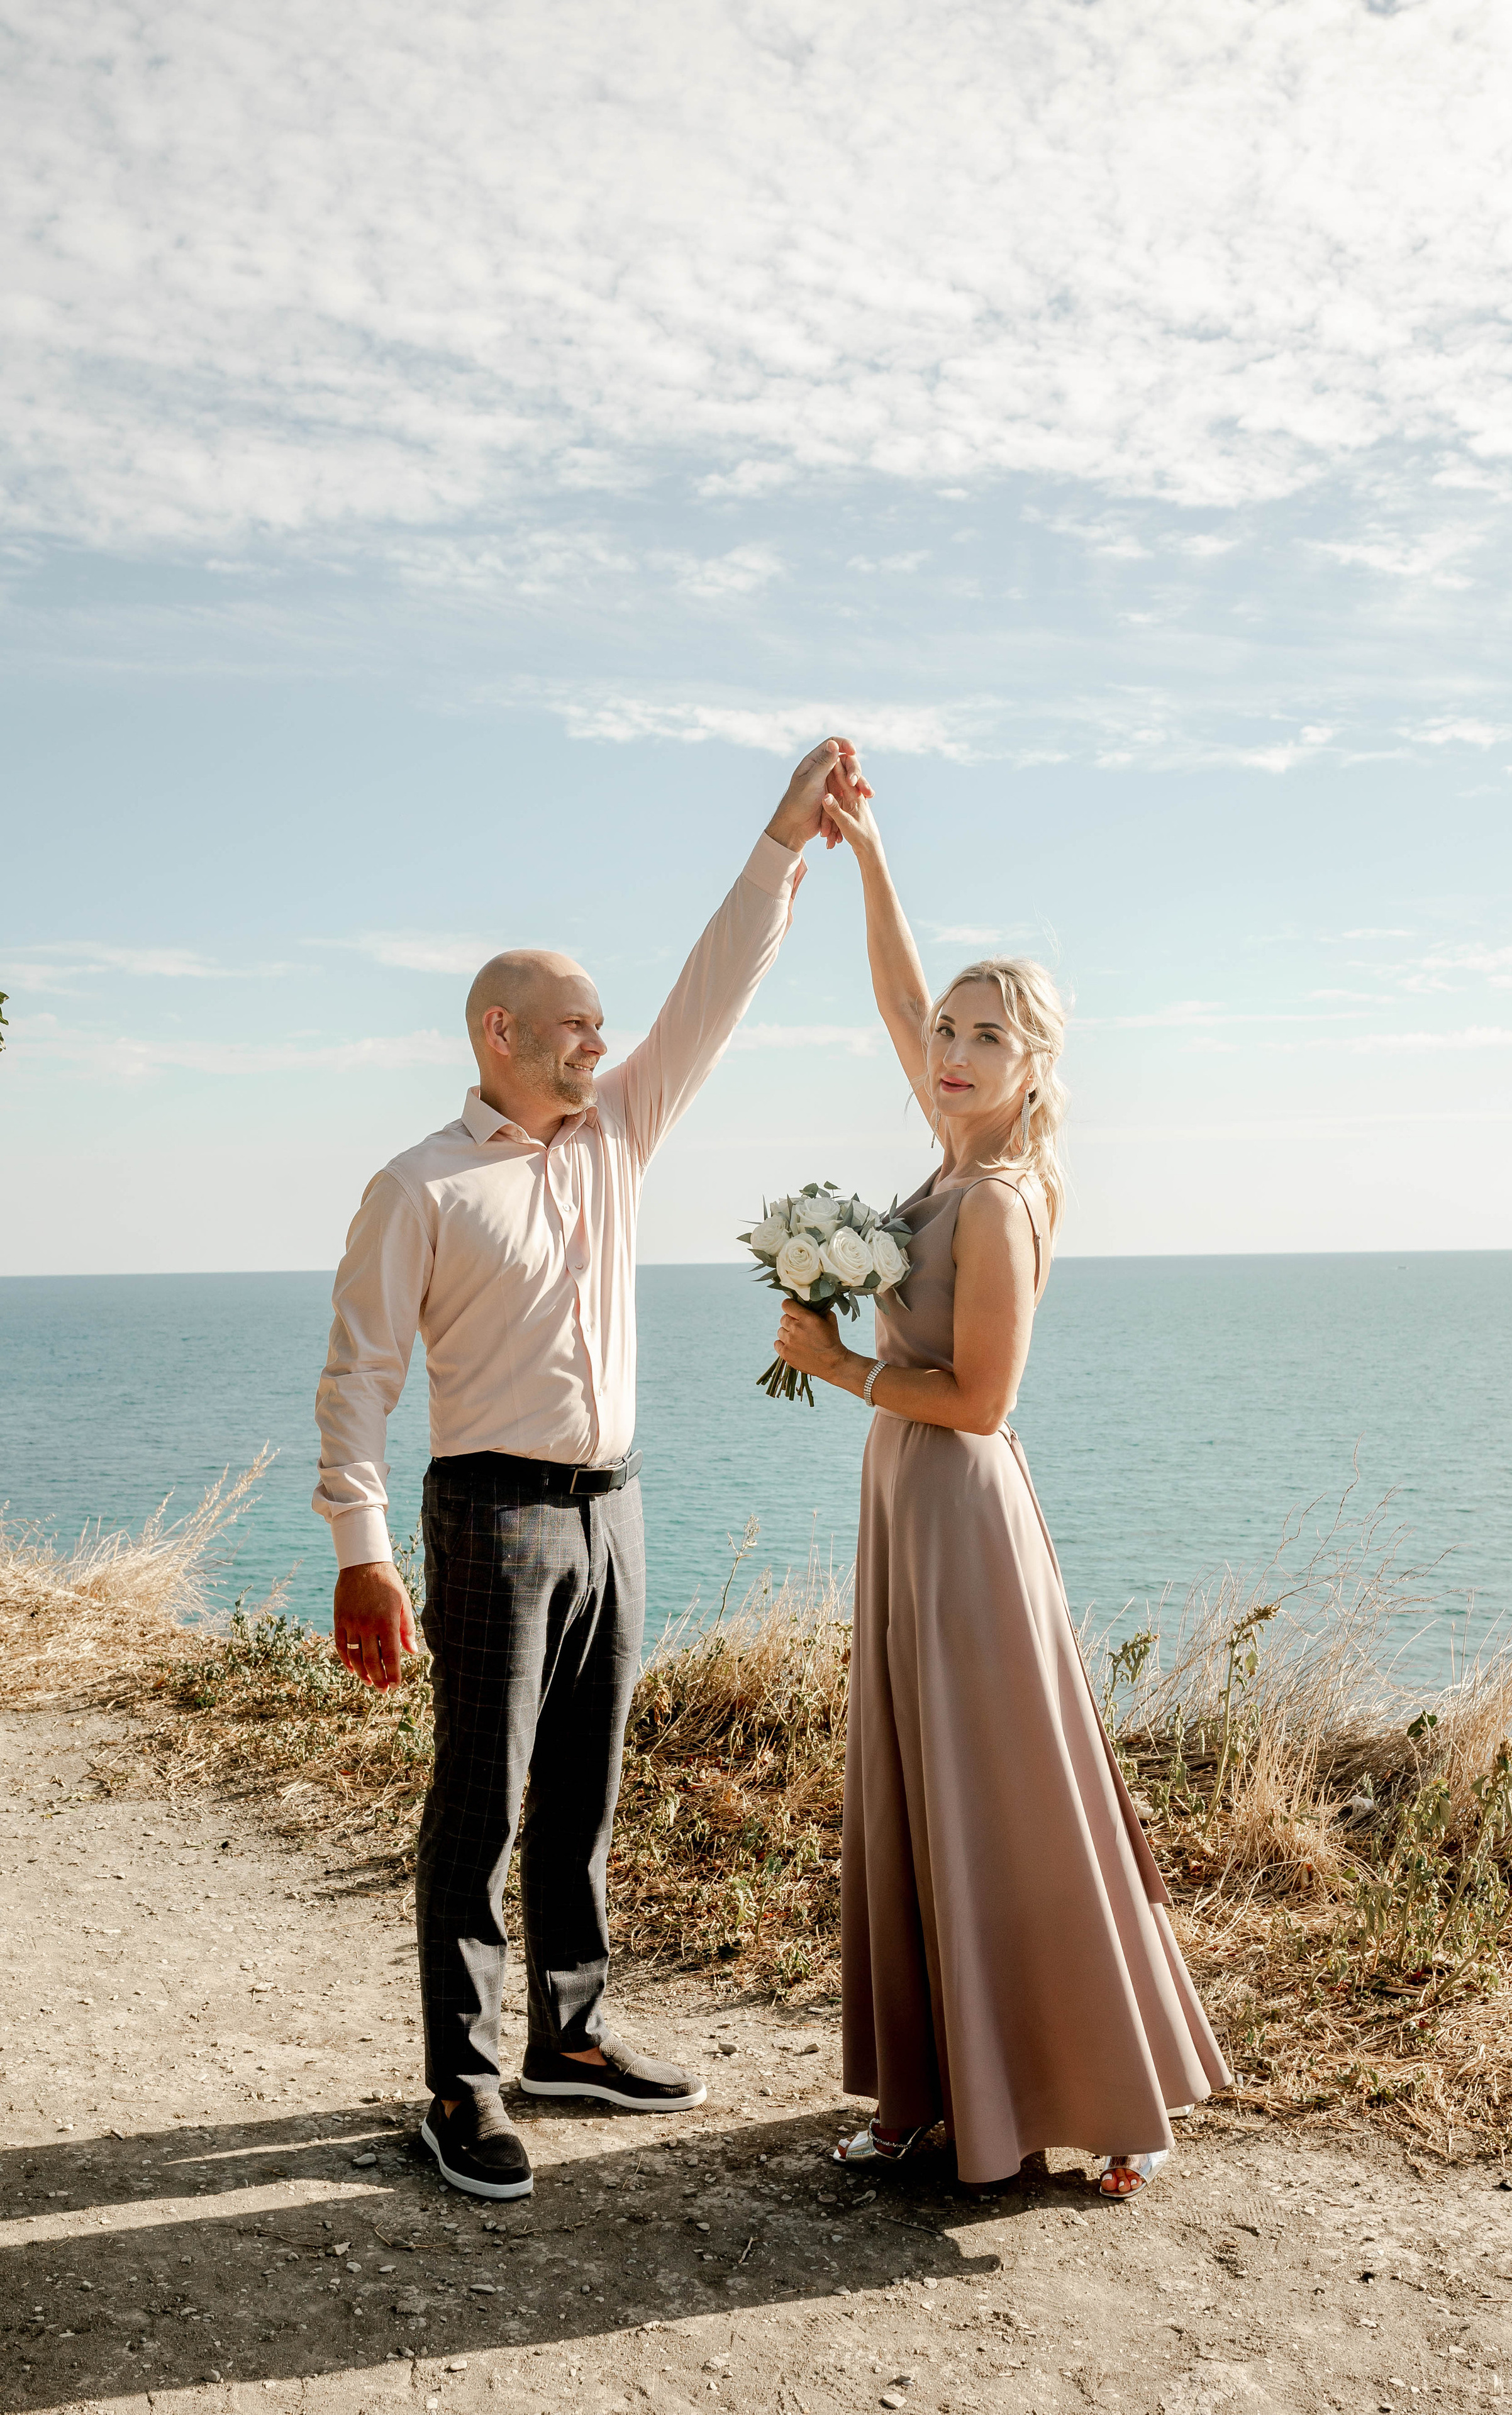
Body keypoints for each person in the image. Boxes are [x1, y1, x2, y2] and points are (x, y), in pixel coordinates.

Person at [312, 737, 869, 2201]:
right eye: (574, 1027)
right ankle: (462, 2081)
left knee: (584, 1792)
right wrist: (362, 1553)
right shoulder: (418, 1186)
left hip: (611, 1508)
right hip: (489, 1510)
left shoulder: (617, 1134)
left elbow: (714, 987)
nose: (600, 1047)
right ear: (498, 1030)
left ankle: (566, 2037)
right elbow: (359, 1379)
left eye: (604, 1028)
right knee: (479, 1806)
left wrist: (781, 841)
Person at [772, 781, 1230, 2199]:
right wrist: (870, 857)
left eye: (986, 1037)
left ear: (1033, 1068)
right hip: (905, 1506)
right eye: (947, 1035)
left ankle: (1105, 2093)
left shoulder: (999, 1199)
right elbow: (896, 993)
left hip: (961, 1510)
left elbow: (980, 1404)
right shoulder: (947, 1150)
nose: (953, 1052)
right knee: (923, 1794)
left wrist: (836, 1365)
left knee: (1010, 1798)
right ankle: (933, 2093)